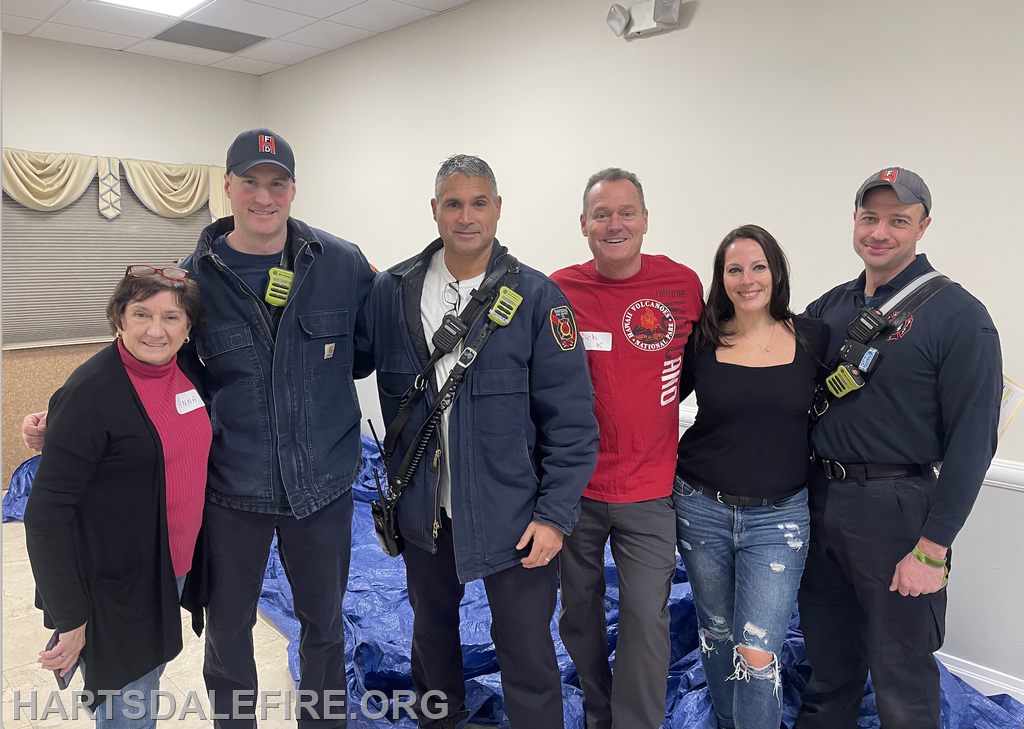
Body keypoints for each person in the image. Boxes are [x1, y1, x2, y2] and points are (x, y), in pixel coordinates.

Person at [22, 129, 376, 729]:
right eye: (250, 182)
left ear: (293, 189)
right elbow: (152, 373)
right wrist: (67, 420)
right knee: (229, 632)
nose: (263, 196)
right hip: (232, 489)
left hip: (323, 487)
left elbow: (367, 355)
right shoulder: (194, 280)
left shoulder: (341, 264)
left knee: (325, 628)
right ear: (228, 186)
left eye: (277, 183)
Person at [359, 154, 599, 729]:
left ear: (497, 209)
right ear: (435, 209)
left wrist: (555, 516)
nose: (467, 216)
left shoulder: (538, 299)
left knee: (526, 654)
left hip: (513, 517)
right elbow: (341, 360)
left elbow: (572, 423)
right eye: (453, 203)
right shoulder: (390, 293)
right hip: (422, 515)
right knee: (431, 641)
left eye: (479, 202)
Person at [796, 168, 1002, 729]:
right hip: (818, 502)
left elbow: (974, 441)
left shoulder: (960, 316)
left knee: (902, 674)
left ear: (923, 226)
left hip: (896, 510)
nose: (880, 232)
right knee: (827, 664)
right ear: (855, 222)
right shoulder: (829, 309)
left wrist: (932, 550)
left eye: (897, 220)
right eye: (870, 218)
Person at [550, 168, 703, 729]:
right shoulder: (558, 290)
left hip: (649, 489)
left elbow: (695, 368)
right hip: (575, 490)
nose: (615, 224)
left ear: (645, 219)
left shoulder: (683, 285)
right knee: (579, 614)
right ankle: (596, 708)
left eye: (626, 212)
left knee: (645, 616)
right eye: (601, 214)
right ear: (584, 224)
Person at [25, 266, 210, 727]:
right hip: (114, 587)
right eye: (140, 313)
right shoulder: (92, 392)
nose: (155, 329)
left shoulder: (188, 372)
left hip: (171, 568)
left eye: (171, 317)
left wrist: (51, 418)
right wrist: (70, 617)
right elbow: (45, 516)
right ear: (118, 321)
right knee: (129, 710)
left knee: (144, 687)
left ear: (188, 328)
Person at [672, 225, 828, 729]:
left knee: (758, 654)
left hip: (779, 520)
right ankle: (723, 718)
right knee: (716, 633)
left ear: (776, 271)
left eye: (757, 266)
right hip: (701, 507)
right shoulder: (701, 340)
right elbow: (655, 402)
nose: (747, 279)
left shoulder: (813, 337)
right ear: (721, 279)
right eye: (734, 269)